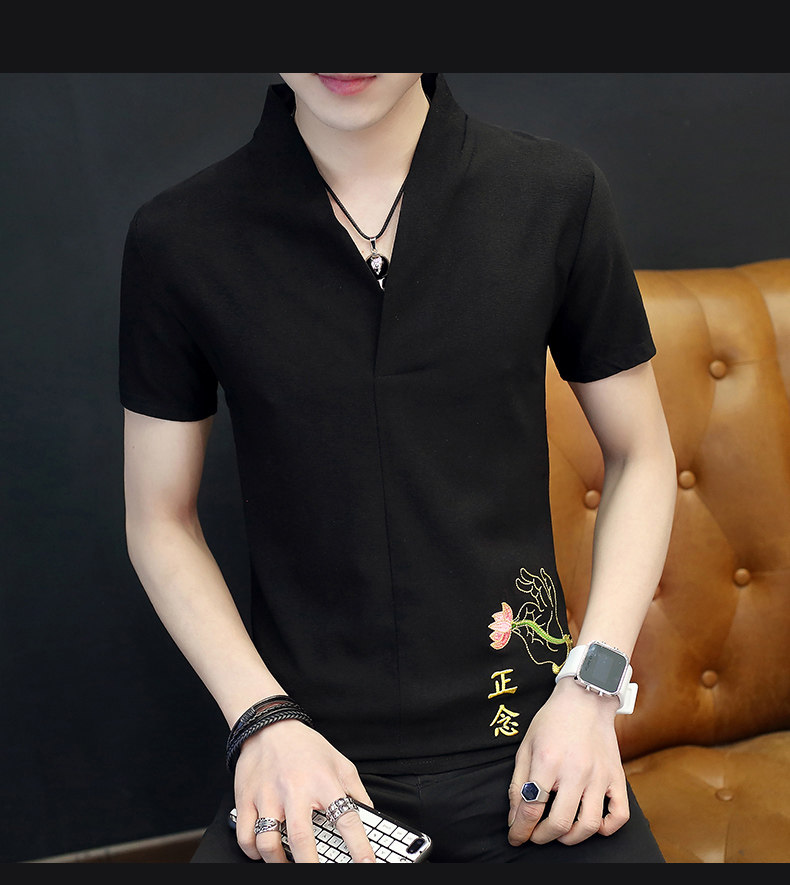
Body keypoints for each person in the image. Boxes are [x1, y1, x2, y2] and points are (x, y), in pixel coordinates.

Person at [119, 73, 677, 863]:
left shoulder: (554, 193)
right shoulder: (179, 237)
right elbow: (159, 517)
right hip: (308, 753)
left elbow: (642, 454)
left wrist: (591, 691)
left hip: (536, 735)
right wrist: (262, 721)